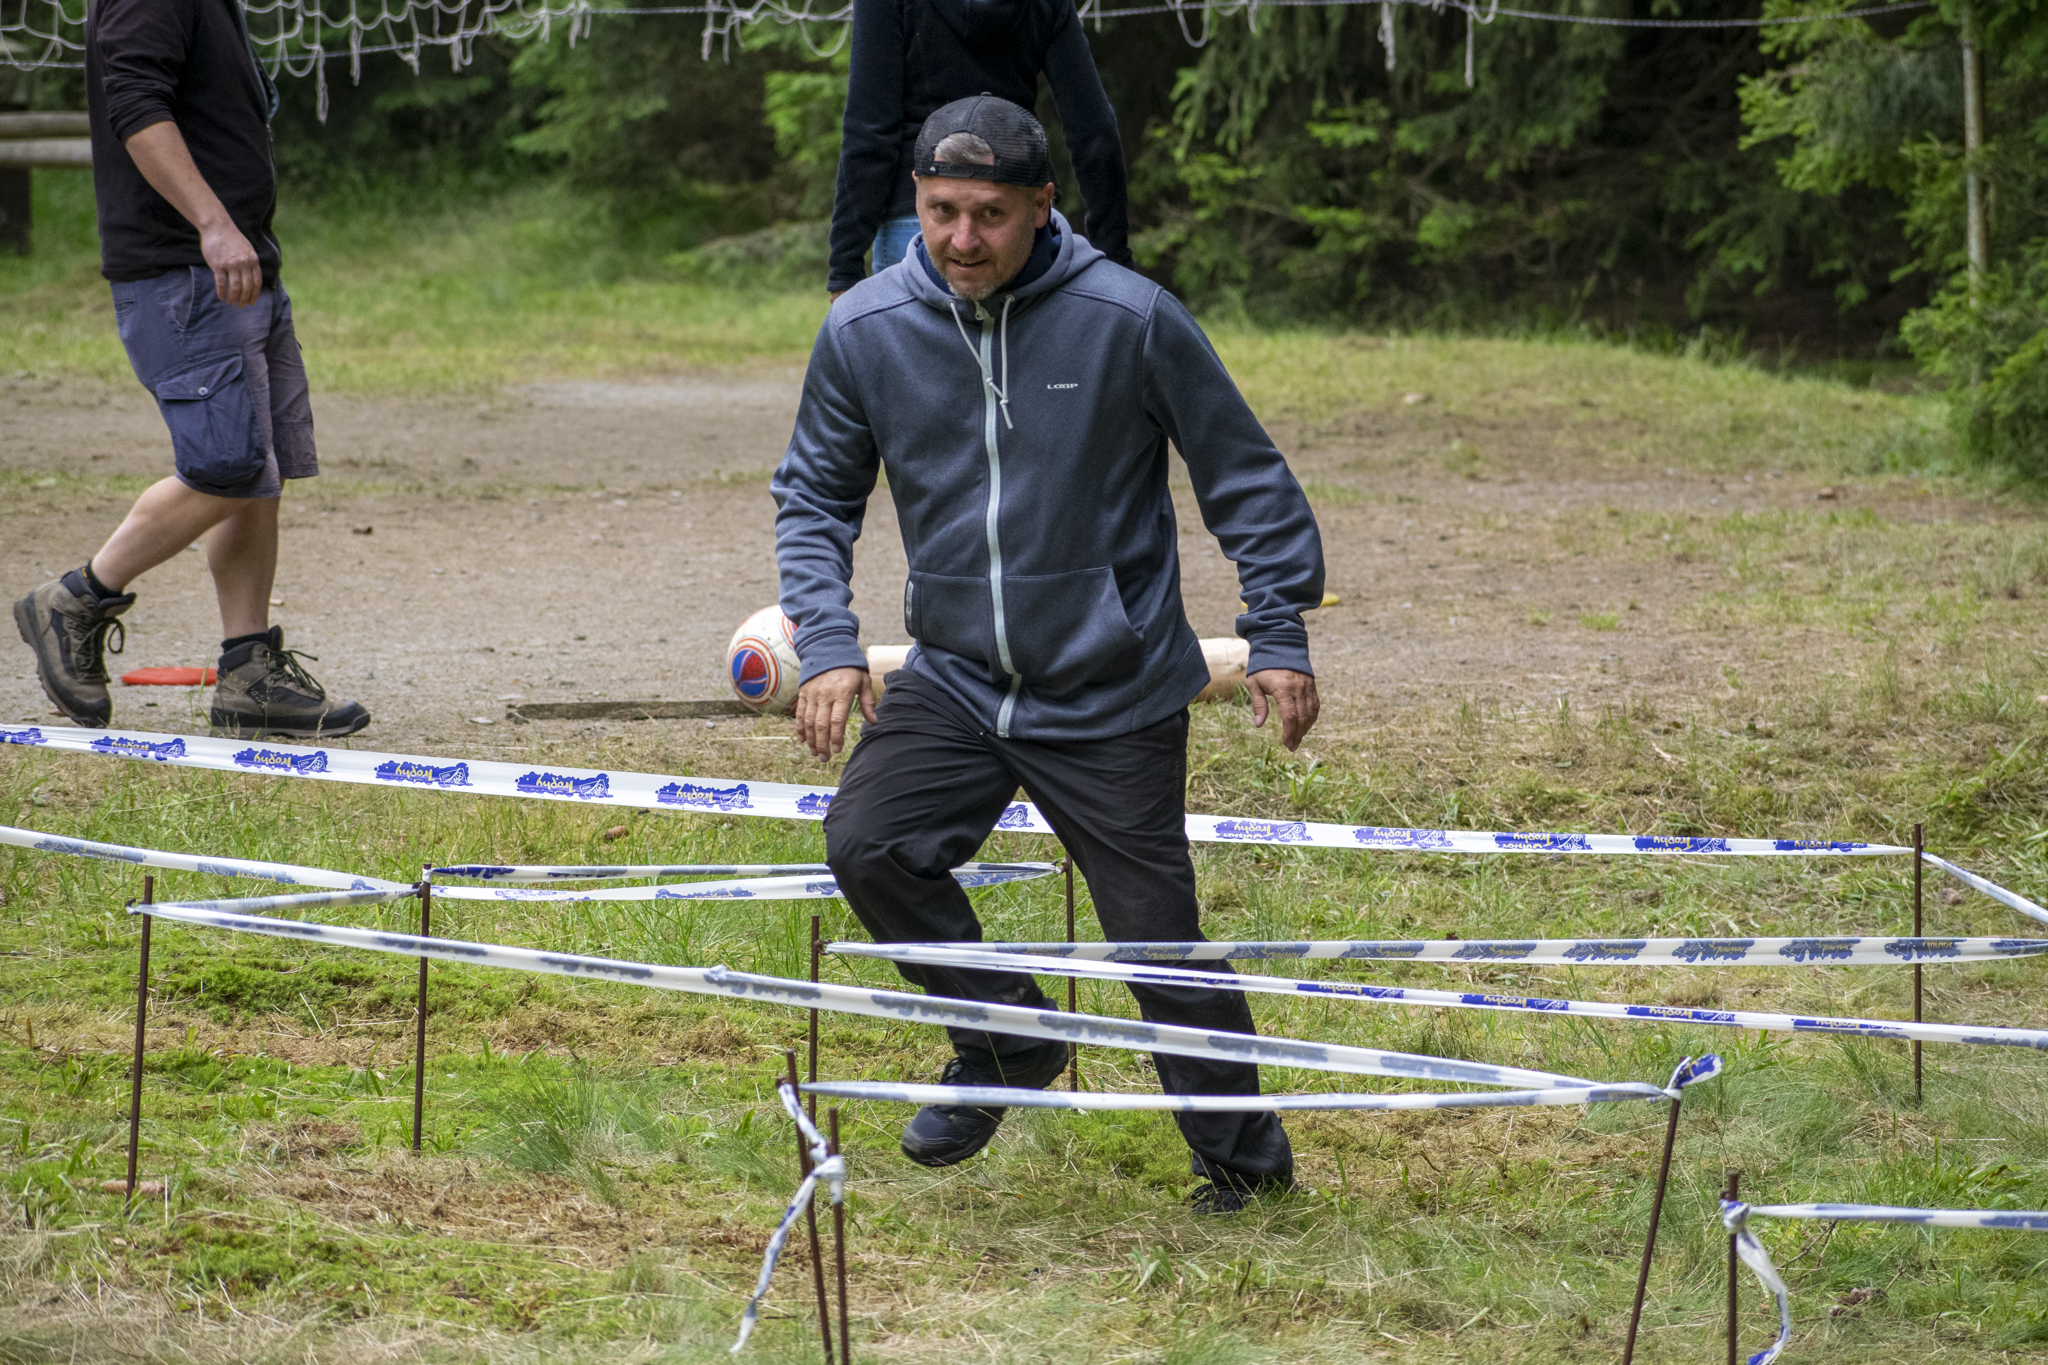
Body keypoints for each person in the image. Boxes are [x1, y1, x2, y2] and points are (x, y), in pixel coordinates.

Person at [774, 96, 1323, 1214]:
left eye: (988, 213)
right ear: (914, 202)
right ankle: (1008, 1041)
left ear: (1040, 204)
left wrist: (1277, 629)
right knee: (870, 844)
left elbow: (1244, 476)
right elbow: (814, 497)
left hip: (1112, 686)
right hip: (957, 677)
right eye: (941, 211)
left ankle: (1245, 1171)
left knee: (1155, 941)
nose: (962, 238)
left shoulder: (1130, 318)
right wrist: (827, 642)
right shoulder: (865, 329)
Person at [12, 0, 368, 738]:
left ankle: (248, 674)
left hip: (238, 265)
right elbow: (136, 106)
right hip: (183, 269)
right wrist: (212, 225)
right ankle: (75, 597)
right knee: (227, 463)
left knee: (258, 466)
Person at [826, 0, 1131, 299]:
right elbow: (1094, 129)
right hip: (1013, 213)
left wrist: (845, 264)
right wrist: (1114, 257)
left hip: (922, 218)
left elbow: (870, 129)